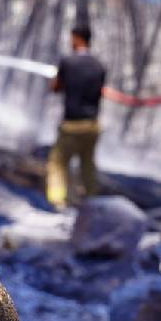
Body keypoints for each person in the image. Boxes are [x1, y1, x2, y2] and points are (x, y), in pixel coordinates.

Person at [47, 26, 107, 210]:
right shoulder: (99, 66)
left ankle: (57, 202)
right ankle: (92, 202)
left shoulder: (68, 62)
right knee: (87, 166)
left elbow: (56, 87)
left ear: (77, 39)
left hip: (71, 124)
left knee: (57, 163)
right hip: (92, 125)